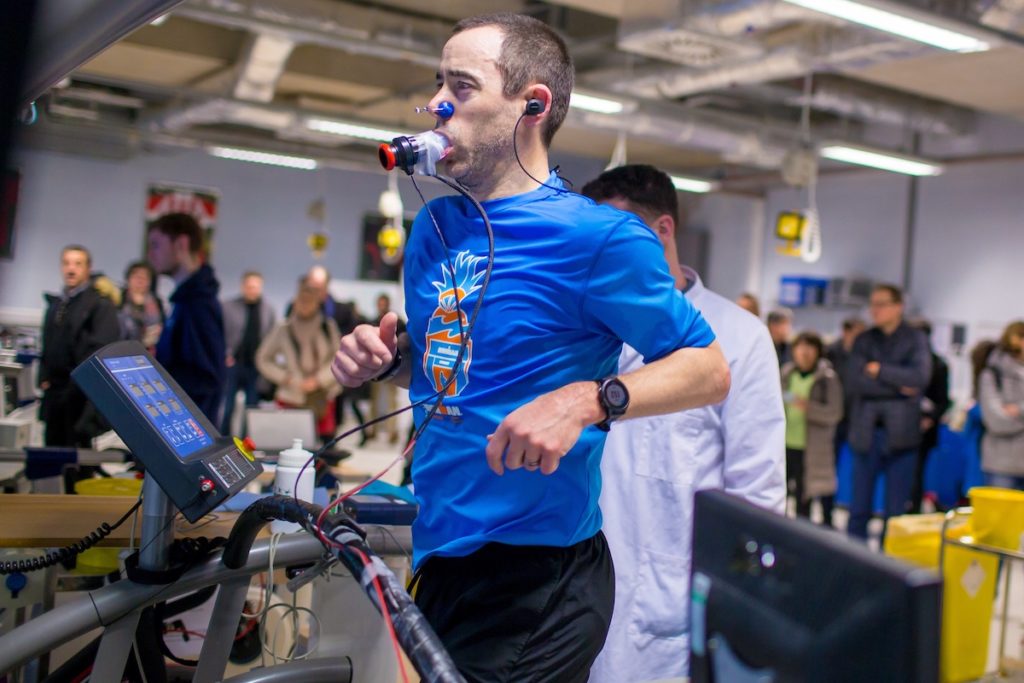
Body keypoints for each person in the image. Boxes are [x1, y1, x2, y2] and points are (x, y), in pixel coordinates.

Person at [330, 14, 730, 683]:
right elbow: (452, 377)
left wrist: (587, 400)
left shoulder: (601, 239)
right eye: (438, 84)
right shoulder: (433, 228)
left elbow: (708, 369)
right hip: (441, 552)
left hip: (537, 575)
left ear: (532, 105)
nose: (436, 105)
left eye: (462, 85)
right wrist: (388, 362)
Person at [580, 164, 784, 683]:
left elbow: (756, 497)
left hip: (666, 615)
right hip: (573, 605)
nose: (598, 254)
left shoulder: (738, 337)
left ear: (663, 231)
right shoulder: (585, 328)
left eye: (614, 236)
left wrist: (738, 618)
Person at [846, 284, 931, 541]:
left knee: (895, 514)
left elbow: (919, 378)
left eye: (882, 304)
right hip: (866, 434)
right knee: (858, 509)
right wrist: (899, 387)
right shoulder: (864, 340)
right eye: (873, 304)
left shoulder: (915, 340)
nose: (875, 310)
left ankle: (890, 570)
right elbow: (855, 382)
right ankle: (854, 564)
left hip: (902, 437)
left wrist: (879, 371)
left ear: (898, 307)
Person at [38, 245, 121, 446]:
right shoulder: (58, 303)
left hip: (79, 393)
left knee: (77, 451)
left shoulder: (99, 305)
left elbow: (100, 347)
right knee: (52, 449)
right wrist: (43, 376)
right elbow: (48, 343)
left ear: (88, 268)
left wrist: (80, 386)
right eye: (66, 263)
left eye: (78, 263)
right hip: (55, 391)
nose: (71, 269)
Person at [147, 213, 226, 422]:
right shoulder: (185, 299)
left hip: (190, 426)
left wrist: (155, 377)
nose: (151, 254)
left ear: (181, 244)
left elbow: (206, 378)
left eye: (156, 245)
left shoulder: (198, 304)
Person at [256, 277, 341, 441]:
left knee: (321, 447)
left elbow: (338, 358)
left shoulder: (327, 327)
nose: (305, 304)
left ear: (317, 303)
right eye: (301, 300)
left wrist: (319, 379)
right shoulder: (284, 328)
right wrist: (286, 378)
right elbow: (263, 359)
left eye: (309, 301)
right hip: (292, 395)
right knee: (287, 442)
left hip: (322, 396)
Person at [781, 331, 843, 525]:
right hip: (785, 444)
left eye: (810, 348)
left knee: (804, 497)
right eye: (800, 347)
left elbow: (834, 412)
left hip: (811, 448)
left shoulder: (827, 378)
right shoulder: (786, 374)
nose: (804, 353)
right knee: (781, 494)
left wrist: (809, 408)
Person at [220, 271, 277, 435]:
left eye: (256, 287)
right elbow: (220, 333)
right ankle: (223, 439)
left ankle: (247, 443)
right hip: (233, 363)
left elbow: (271, 337)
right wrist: (225, 354)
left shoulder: (267, 310)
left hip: (256, 366)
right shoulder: (228, 307)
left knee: (251, 407)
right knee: (227, 406)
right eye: (249, 286)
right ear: (243, 286)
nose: (252, 290)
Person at [908, 318, 951, 511]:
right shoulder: (902, 364)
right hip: (897, 426)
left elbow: (943, 401)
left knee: (916, 474)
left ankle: (913, 513)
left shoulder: (939, 366)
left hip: (923, 432)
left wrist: (929, 419)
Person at [978, 321, 1024, 489]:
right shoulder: (993, 374)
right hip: (1002, 465)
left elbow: (1012, 414)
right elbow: (996, 421)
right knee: (1000, 515)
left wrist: (1017, 410)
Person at [368, 293, 406, 444]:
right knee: (374, 400)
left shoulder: (397, 321)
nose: (381, 306)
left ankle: (392, 431)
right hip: (375, 366)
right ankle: (373, 429)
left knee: (391, 401)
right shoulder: (373, 321)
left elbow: (403, 340)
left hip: (393, 365)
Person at [825, 317, 866, 451]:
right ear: (846, 332)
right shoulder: (829, 353)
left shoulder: (866, 355)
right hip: (832, 414)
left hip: (855, 414)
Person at [118, 260, 164, 350]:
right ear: (128, 279)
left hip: (150, 352)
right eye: (136, 277)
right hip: (122, 350)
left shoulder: (157, 303)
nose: (140, 281)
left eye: (144, 278)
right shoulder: (118, 300)